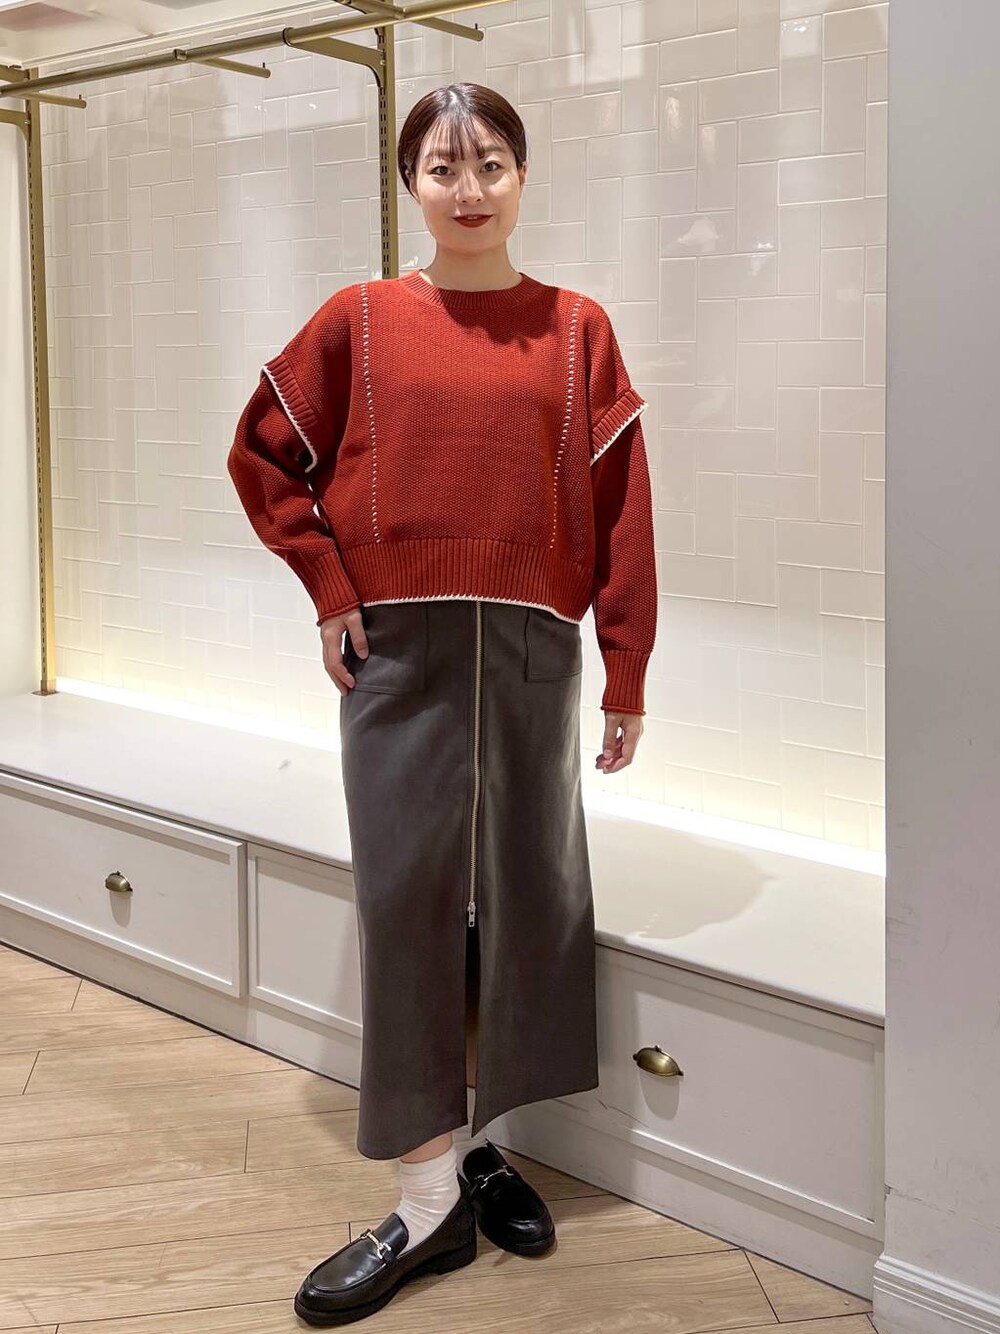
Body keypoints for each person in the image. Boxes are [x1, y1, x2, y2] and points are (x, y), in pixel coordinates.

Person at [227, 81, 657, 1327]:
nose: (468, 188)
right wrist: (329, 585)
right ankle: (423, 1196)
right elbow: (264, 458)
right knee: (408, 897)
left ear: (523, 176)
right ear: (410, 182)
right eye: (442, 166)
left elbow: (623, 504)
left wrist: (625, 665)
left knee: (523, 897)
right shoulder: (359, 319)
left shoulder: (576, 329)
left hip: (533, 653)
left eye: (491, 162)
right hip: (399, 657)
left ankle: (474, 1150)